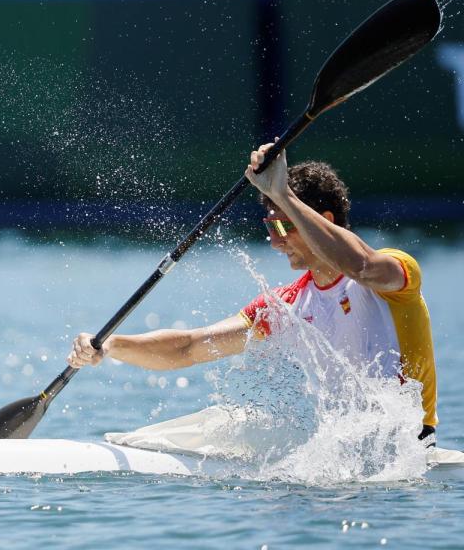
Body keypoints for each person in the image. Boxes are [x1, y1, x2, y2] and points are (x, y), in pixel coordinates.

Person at [68, 142, 438, 442]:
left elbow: (359, 266)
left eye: (282, 227)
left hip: (408, 446)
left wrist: (284, 195)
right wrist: (111, 345)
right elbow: (190, 347)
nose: (275, 243)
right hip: (341, 450)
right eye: (269, 227)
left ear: (323, 220)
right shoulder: (287, 304)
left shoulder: (395, 273)